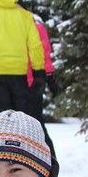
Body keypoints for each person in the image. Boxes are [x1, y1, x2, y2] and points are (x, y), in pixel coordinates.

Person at [26, 13, 60, 157]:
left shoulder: (34, 26)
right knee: (35, 124)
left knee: (35, 124)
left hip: (29, 81)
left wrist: (50, 76)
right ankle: (46, 158)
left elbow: (44, 54)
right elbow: (46, 55)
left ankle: (49, 159)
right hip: (32, 81)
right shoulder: (35, 25)